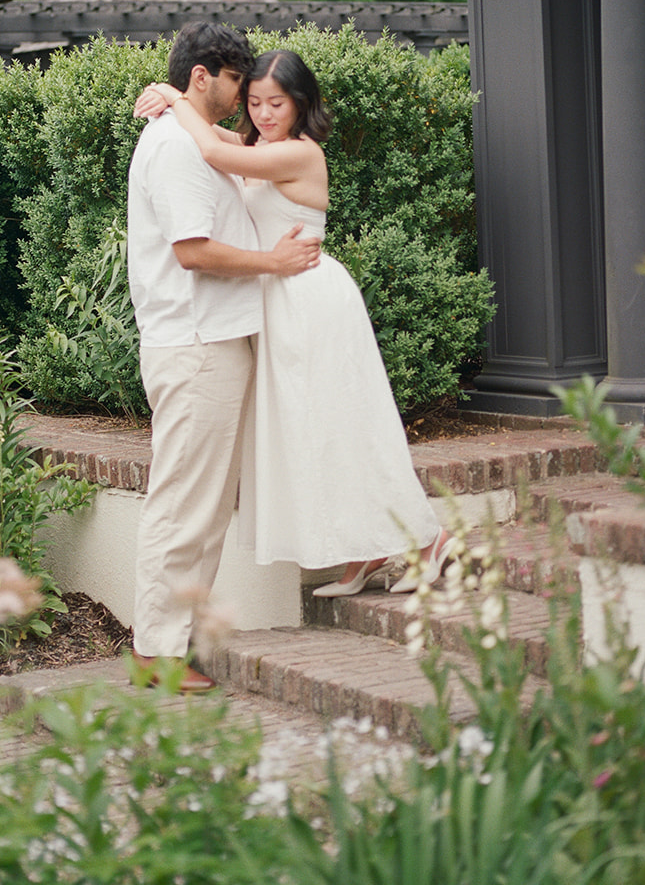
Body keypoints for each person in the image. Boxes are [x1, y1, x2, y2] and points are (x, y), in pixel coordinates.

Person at [136, 49, 456, 596]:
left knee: (344, 424)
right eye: (254, 101)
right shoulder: (264, 147)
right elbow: (219, 142)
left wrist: (172, 96)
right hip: (277, 300)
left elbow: (210, 147)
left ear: (301, 103)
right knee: (316, 432)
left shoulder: (299, 154)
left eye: (276, 103)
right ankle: (366, 550)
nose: (262, 113)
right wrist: (181, 102)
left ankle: (429, 540)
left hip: (310, 299)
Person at [126, 24, 322, 693]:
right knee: (186, 503)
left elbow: (241, 150)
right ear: (204, 76)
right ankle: (157, 650)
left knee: (201, 505)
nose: (245, 98)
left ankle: (168, 642)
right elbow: (193, 249)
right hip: (197, 343)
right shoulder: (178, 148)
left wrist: (163, 95)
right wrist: (273, 262)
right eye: (238, 81)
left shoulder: (189, 137)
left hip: (204, 341)